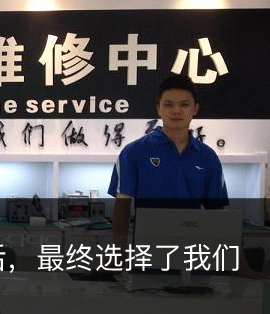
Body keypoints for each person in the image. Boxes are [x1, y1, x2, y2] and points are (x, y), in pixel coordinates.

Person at [108, 74, 264, 278]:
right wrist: (117, 258)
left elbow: (218, 214)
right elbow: (122, 208)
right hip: (148, 259)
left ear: (195, 109)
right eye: (169, 104)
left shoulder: (207, 157)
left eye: (184, 104)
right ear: (158, 108)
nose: (176, 111)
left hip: (196, 260)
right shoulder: (134, 152)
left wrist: (241, 265)